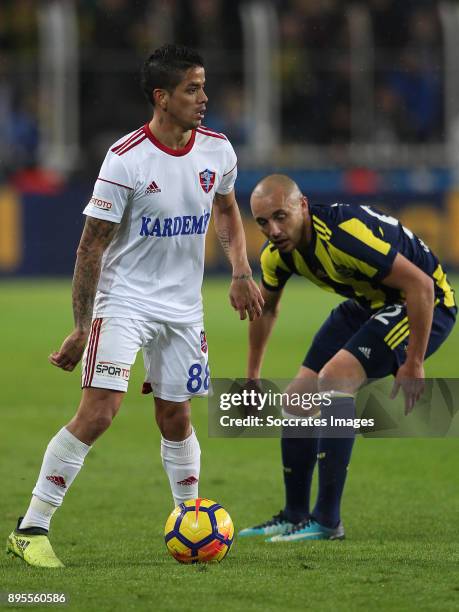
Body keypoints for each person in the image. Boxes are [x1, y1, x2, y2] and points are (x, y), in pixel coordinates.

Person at [6, 44, 263, 568]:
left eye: (204, 86)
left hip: (184, 309)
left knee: (176, 416)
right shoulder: (125, 160)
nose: (203, 98)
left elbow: (229, 210)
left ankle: (191, 519)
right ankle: (31, 527)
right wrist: (82, 326)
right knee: (100, 412)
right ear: (161, 97)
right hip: (124, 300)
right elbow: (91, 245)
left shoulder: (218, 150)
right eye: (192, 89)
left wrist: (240, 270)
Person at [239, 174, 456, 542]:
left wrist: (414, 362)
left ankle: (326, 521)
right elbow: (268, 309)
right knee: (296, 400)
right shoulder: (277, 256)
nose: (273, 230)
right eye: (262, 222)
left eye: (280, 216)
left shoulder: (343, 234)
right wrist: (252, 375)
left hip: (424, 303)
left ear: (302, 206)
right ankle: (294, 514)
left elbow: (421, 284)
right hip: (368, 303)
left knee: (336, 378)